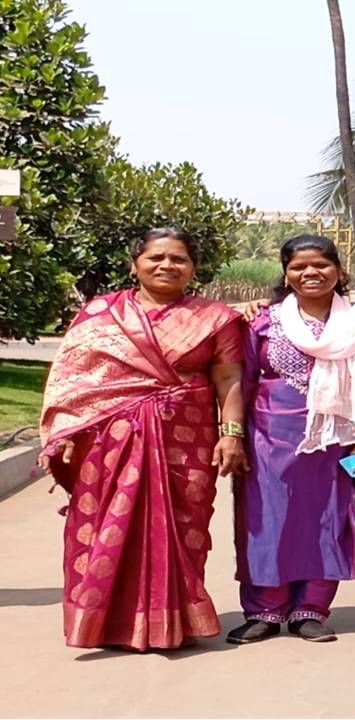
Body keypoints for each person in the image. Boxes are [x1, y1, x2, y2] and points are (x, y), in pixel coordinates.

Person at [39, 227, 247, 650]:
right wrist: (60, 433)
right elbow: (72, 377)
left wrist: (232, 435)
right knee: (102, 527)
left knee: (185, 528)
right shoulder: (102, 313)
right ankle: (105, 623)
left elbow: (228, 379)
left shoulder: (215, 317)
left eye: (178, 259)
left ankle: (178, 622)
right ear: (135, 264)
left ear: (193, 268)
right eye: (156, 257)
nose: (167, 265)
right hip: (108, 442)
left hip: (186, 436)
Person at [229, 235, 355, 644]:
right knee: (265, 522)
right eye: (299, 266)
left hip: (341, 437)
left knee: (328, 518)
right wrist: (233, 436)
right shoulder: (263, 322)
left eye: (321, 265)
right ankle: (264, 610)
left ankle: (311, 609)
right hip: (269, 438)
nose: (311, 273)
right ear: (286, 274)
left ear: (338, 270)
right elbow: (244, 379)